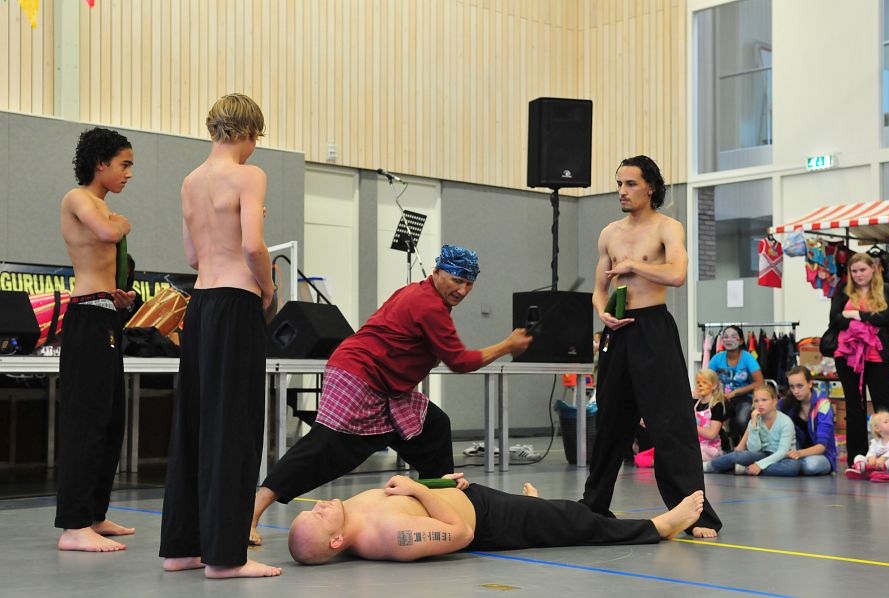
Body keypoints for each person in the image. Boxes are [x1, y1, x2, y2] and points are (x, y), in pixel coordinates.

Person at [249, 244, 534, 545]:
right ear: (437, 273)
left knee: (433, 427)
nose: (462, 290)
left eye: (469, 284)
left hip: (386, 388)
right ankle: (250, 514)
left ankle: (441, 508)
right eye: (456, 280)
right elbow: (460, 361)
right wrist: (507, 346)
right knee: (322, 446)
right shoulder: (429, 306)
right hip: (357, 376)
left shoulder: (420, 295)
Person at [158, 93, 282, 578]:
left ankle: (181, 548)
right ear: (248, 132)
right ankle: (227, 557)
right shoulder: (249, 175)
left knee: (195, 424)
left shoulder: (190, 181)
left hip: (201, 304)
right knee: (234, 426)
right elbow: (253, 245)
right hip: (235, 303)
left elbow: (192, 256)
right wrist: (267, 288)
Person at [581, 155, 721, 538]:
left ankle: (695, 514)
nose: (622, 191)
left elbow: (676, 274)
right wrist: (603, 314)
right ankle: (593, 506)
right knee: (609, 422)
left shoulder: (667, 227)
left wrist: (635, 266)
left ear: (651, 188)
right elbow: (599, 290)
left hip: (653, 329)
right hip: (617, 330)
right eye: (619, 184)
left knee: (671, 423)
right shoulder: (609, 233)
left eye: (630, 184)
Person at [287, 473, 706, 565]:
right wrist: (421, 491)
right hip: (489, 522)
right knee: (573, 520)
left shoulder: (350, 513)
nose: (319, 506)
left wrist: (436, 483)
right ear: (336, 542)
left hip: (472, 497)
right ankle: (658, 527)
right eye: (318, 517)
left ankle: (536, 507)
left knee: (555, 514)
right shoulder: (388, 537)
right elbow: (461, 533)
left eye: (312, 508)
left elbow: (411, 499)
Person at [56, 127, 137, 552]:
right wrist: (120, 223)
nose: (128, 174)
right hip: (86, 318)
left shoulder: (103, 208)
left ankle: (94, 514)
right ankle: (73, 526)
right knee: (85, 423)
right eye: (123, 164)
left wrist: (120, 296)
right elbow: (108, 233)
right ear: (100, 163)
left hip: (107, 315)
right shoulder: (78, 199)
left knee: (110, 421)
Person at [830, 252, 889, 467]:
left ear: (873, 269)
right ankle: (857, 458)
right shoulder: (843, 290)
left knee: (885, 406)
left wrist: (855, 315)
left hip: (877, 356)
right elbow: (835, 320)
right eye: (854, 271)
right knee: (854, 407)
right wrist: (867, 319)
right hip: (847, 356)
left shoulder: (887, 290)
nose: (859, 274)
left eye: (863, 269)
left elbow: (884, 317)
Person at [706, 384, 799, 476]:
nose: (760, 404)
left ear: (774, 401)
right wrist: (754, 424)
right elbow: (754, 449)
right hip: (762, 454)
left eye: (764, 400)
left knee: (792, 468)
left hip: (782, 457)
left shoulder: (785, 421)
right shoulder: (754, 420)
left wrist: (760, 465)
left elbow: (782, 452)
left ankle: (745, 470)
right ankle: (708, 466)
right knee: (738, 456)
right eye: (756, 401)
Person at [707, 326, 764, 447]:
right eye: (725, 337)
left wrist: (735, 392)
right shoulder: (717, 358)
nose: (729, 339)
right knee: (711, 418)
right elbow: (707, 378)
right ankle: (722, 446)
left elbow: (760, 382)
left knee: (741, 420)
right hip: (722, 398)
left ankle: (745, 448)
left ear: (741, 341)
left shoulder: (748, 357)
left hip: (744, 398)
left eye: (733, 337)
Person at [779, 365, 836, 476]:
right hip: (795, 452)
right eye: (792, 387)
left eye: (800, 386)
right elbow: (769, 410)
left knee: (810, 465)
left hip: (821, 456)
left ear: (810, 383)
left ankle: (788, 466)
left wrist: (799, 454)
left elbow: (821, 446)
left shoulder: (823, 405)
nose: (795, 391)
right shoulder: (787, 402)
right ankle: (789, 466)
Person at [845, 411, 889, 479]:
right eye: (886, 422)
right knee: (858, 456)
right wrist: (871, 457)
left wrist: (883, 458)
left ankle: (871, 470)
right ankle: (861, 468)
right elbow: (871, 451)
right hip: (875, 463)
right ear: (877, 428)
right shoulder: (875, 441)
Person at [693, 369, 726, 463]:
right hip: (696, 445)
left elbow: (712, 434)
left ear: (714, 386)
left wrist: (692, 426)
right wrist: (689, 398)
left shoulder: (717, 406)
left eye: (704, 382)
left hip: (711, 449)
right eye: (698, 382)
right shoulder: (694, 403)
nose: (700, 385)